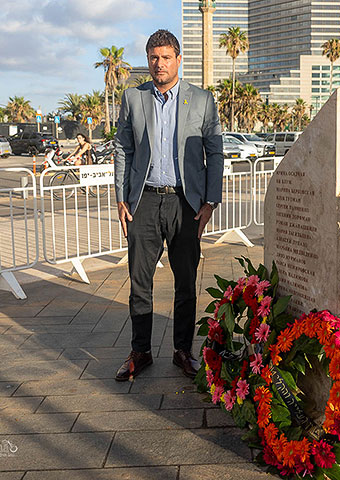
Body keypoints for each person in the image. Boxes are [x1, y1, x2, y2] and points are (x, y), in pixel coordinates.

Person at [113, 30, 223, 381]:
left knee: (186, 282)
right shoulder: (133, 98)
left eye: (165, 57)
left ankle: (182, 351)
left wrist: (210, 201)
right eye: (152, 57)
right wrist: (120, 197)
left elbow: (215, 151)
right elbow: (122, 149)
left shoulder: (202, 100)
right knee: (139, 281)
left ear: (178, 59)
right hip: (143, 201)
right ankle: (140, 351)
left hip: (185, 203)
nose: (158, 64)